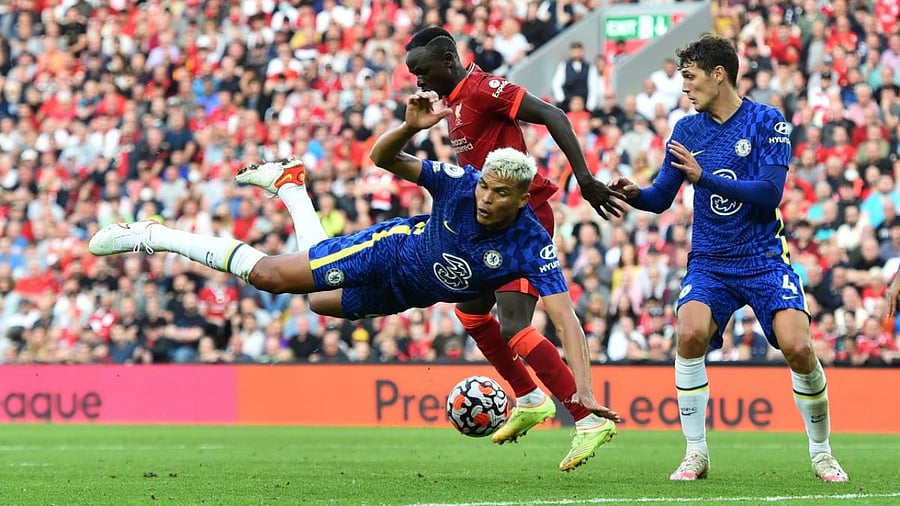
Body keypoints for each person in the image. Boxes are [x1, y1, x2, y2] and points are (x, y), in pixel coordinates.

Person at [89, 90, 622, 470]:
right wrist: (412, 128)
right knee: (272, 276)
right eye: (485, 188)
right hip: (386, 254)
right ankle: (155, 234)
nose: (485, 198)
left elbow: (567, 322)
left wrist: (587, 392)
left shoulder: (531, 243)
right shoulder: (460, 184)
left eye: (499, 195)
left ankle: (291, 186)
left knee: (320, 303)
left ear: (520, 199)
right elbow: (383, 158)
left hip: (408, 293)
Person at [609, 35, 848, 482]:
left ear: (719, 75)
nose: (685, 88)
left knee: (798, 347)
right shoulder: (686, 130)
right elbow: (662, 198)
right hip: (710, 262)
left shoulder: (766, 121)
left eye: (690, 77)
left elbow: (769, 193)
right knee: (690, 333)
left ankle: (822, 452)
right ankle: (695, 453)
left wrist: (704, 178)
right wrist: (635, 194)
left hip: (763, 259)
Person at [404, 26, 623, 459]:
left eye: (422, 71)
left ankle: (586, 417)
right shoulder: (454, 102)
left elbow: (554, 115)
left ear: (447, 61)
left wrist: (585, 180)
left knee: (515, 325)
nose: (418, 81)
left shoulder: (485, 89)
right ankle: (527, 397)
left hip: (522, 217)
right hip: (489, 222)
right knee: (470, 312)